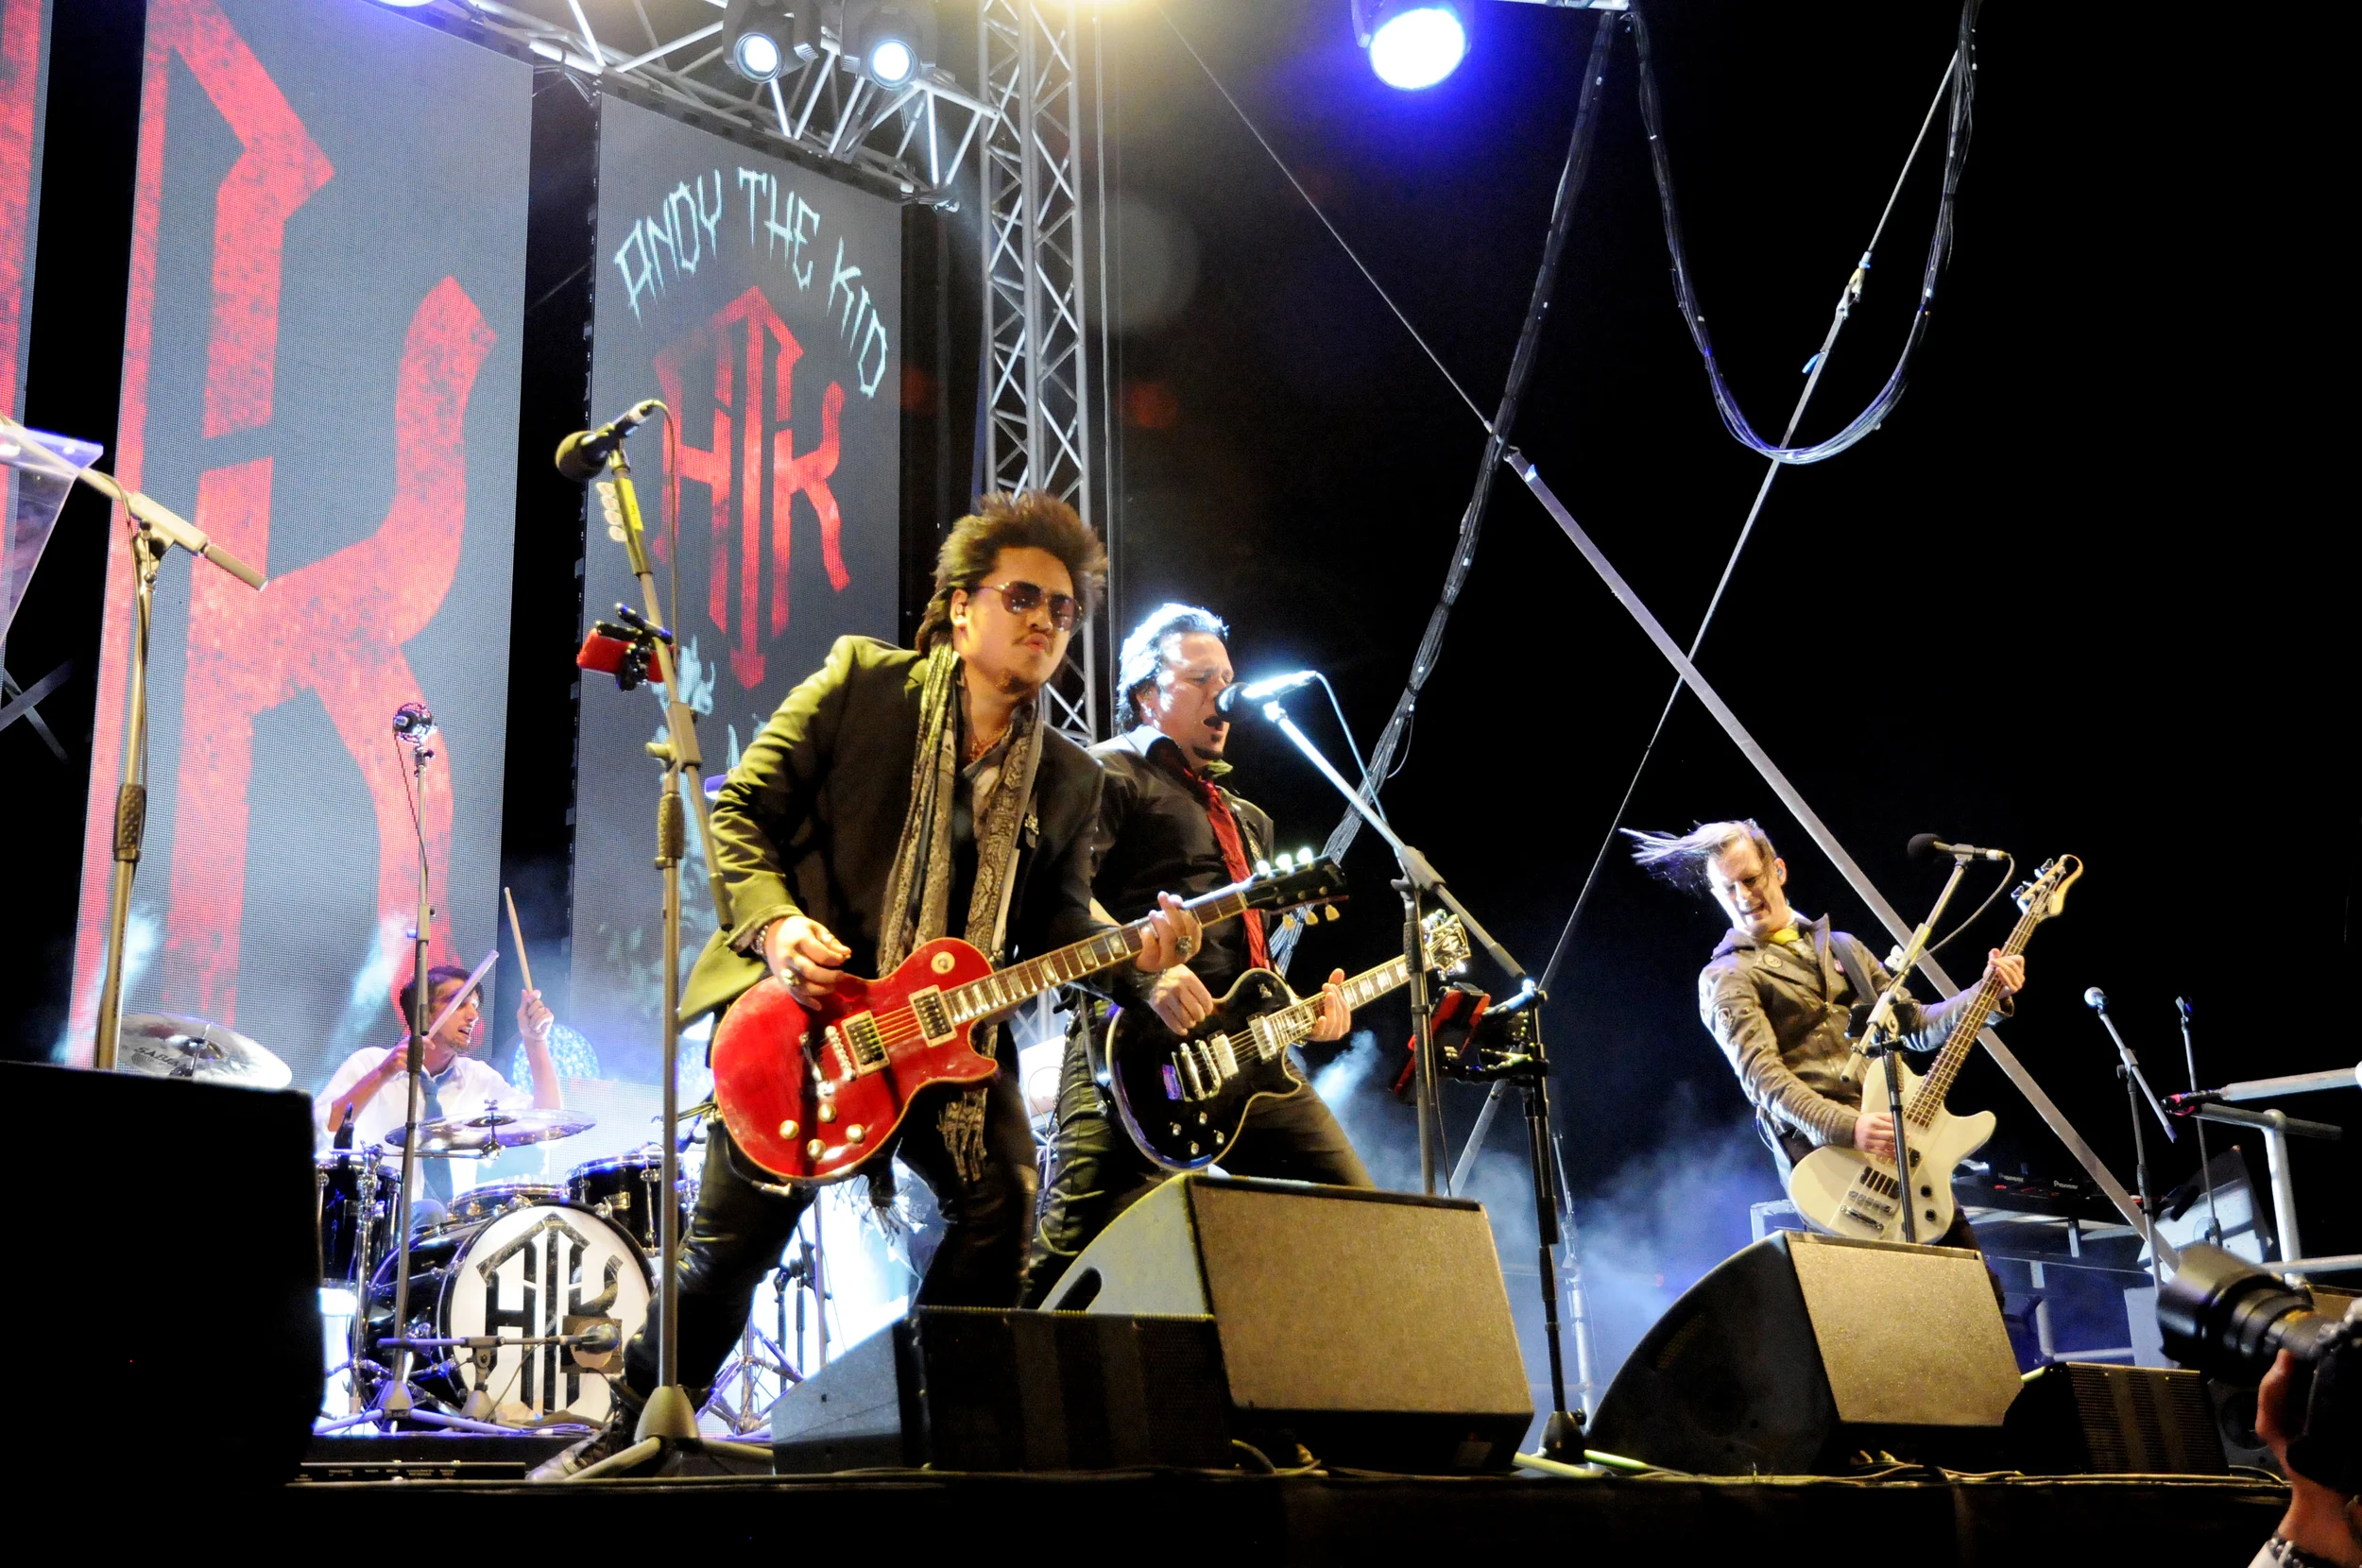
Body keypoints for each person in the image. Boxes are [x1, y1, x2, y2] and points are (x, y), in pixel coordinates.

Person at [538, 492, 1201, 1478]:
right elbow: (740, 816)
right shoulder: (861, 683)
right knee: (729, 1254)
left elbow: (1060, 913)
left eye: (1063, 611)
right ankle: (631, 1418)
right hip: (808, 1022)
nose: (1044, 622)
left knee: (1002, 1204)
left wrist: (1137, 958)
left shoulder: (1067, 775)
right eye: (1023, 596)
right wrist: (776, 926)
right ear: (961, 605)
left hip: (948, 1037)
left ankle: (925, 1421)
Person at [1022, 603, 1368, 1307]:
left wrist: (1306, 1014)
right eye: (1203, 679)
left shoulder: (1247, 819)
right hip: (1134, 1054)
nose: (1225, 697)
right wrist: (1144, 975)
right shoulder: (1107, 774)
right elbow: (1060, 899)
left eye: (1230, 679)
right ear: (1150, 694)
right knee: (1063, 1265)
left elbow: (1248, 969)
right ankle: (965, 1404)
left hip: (1250, 1063)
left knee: (1359, 1215)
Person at [1624, 818, 2025, 1250]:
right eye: (1728, 888)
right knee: (1888, 1302)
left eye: (1750, 879)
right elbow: (1764, 1080)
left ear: (1777, 870)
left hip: (1900, 1144)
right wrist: (1847, 1126)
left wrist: (1983, 994)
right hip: (1830, 1160)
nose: (1743, 896)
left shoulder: (1845, 947)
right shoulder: (1726, 976)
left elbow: (1913, 1024)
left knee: (1973, 1292)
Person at [314, 963, 561, 1201]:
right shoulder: (370, 1063)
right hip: (381, 1226)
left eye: (475, 1006)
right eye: (459, 1003)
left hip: (451, 1235)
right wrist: (384, 1073)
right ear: (424, 1010)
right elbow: (322, 1131)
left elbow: (548, 1128)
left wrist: (535, 1040)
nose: (473, 1015)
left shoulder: (478, 1078)